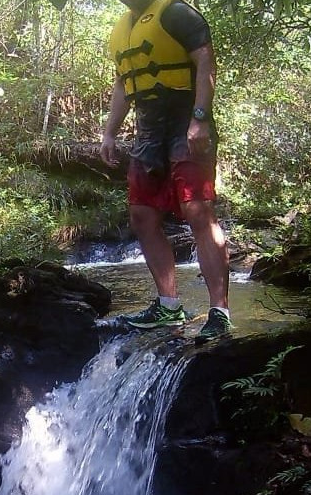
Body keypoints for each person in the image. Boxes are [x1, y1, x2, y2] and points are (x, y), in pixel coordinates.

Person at [99, 0, 232, 342]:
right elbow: (122, 84)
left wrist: (200, 119)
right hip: (148, 131)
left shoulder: (176, 12)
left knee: (197, 210)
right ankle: (168, 306)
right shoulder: (122, 30)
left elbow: (205, 59)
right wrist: (110, 132)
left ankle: (220, 311)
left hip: (184, 120)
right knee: (142, 215)